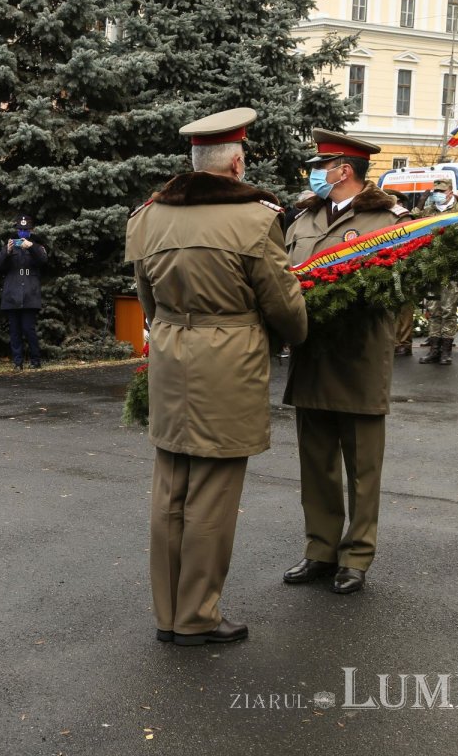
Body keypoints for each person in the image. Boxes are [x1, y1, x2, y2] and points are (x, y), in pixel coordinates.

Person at [126, 108, 307, 646]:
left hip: (170, 357)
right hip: (228, 362)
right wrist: (295, 332)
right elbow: (285, 308)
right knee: (212, 494)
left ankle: (169, 614)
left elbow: (148, 302)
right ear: (236, 163)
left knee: (170, 489)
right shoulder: (255, 219)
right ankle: (198, 616)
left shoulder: (148, 218)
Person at [283, 129, 410, 595]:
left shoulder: (388, 219)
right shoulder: (303, 220)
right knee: (315, 462)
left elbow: (403, 293)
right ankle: (319, 549)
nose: (315, 172)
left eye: (323, 165)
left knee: (362, 466)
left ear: (345, 170)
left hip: (358, 356)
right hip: (312, 354)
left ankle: (356, 555)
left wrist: (387, 337)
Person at [417, 178, 458, 366]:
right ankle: (434, 349)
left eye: (442, 191)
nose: (438, 194)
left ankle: (446, 351)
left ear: (450, 192)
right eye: (436, 190)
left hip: (452, 270)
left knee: (448, 311)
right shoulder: (428, 212)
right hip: (432, 269)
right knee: (433, 310)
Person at [0, 214, 48, 369]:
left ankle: (35, 360)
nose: (22, 232)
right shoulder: (10, 245)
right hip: (12, 293)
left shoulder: (37, 245)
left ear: (31, 230)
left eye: (25, 229)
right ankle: (17, 361)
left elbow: (43, 260)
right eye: (20, 229)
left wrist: (30, 247)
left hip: (30, 293)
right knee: (15, 331)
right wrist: (7, 251)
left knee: (28, 328)